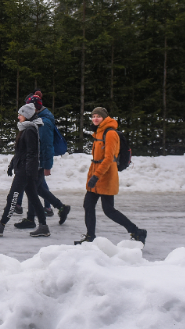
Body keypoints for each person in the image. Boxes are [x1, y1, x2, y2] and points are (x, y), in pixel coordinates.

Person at [75, 107, 146, 245]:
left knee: (109, 210)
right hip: (97, 174)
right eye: (93, 116)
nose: (95, 119)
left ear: (104, 118)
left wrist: (96, 176)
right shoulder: (98, 132)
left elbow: (109, 158)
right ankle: (90, 237)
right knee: (88, 205)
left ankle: (137, 231)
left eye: (98, 116)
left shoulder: (110, 133)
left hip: (106, 176)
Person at [0, 103, 50, 237]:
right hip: (23, 168)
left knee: (12, 197)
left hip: (25, 171)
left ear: (27, 115)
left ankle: (1, 225)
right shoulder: (25, 129)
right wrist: (12, 165)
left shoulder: (30, 130)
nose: (18, 117)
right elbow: (20, 152)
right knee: (33, 198)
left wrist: (28, 172)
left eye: (20, 114)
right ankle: (43, 227)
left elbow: (32, 153)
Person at [14, 91, 72, 229]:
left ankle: (32, 219)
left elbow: (46, 145)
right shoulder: (38, 117)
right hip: (35, 160)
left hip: (38, 162)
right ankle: (61, 207)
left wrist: (47, 166)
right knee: (38, 189)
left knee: (33, 189)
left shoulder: (44, 122)